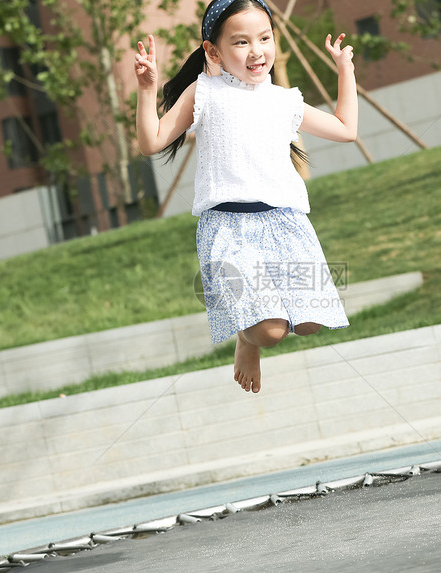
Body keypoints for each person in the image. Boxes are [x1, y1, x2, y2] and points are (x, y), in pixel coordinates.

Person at [134, 0, 357, 394]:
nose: (256, 51)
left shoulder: (284, 100)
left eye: (265, 38)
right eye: (241, 42)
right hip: (229, 226)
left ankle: (250, 333)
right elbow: (151, 141)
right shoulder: (204, 92)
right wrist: (148, 87)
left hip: (286, 223)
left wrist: (345, 69)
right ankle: (247, 340)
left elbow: (345, 128)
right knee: (270, 331)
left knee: (307, 323)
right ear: (213, 51)